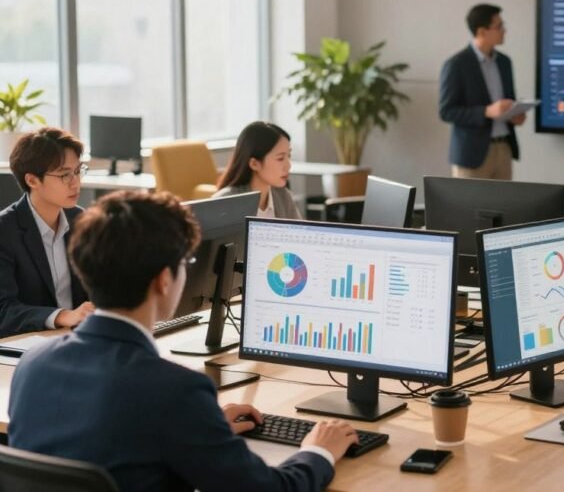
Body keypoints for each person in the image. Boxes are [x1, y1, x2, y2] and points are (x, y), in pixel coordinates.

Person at [8, 190, 357, 492]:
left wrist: (202, 426)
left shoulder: (33, 365)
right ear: (163, 280)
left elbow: (114, 431)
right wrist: (318, 450)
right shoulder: (175, 391)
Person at [0, 127, 94, 338]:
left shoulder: (82, 222)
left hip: (81, 339)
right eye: (64, 175)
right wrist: (61, 316)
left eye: (78, 171)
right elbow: (3, 311)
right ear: (32, 180)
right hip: (27, 348)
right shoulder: (5, 231)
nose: (75, 182)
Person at [439, 3, 525, 180]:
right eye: (499, 26)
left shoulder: (504, 62)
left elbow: (508, 101)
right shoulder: (456, 65)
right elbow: (446, 111)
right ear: (481, 32)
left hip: (503, 148)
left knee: (503, 206)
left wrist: (515, 114)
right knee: (468, 207)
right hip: (471, 154)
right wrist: (486, 112)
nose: (504, 30)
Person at [214, 121, 302, 219]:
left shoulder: (283, 197)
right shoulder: (224, 202)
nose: (288, 166)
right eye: (280, 158)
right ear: (254, 164)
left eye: (288, 156)